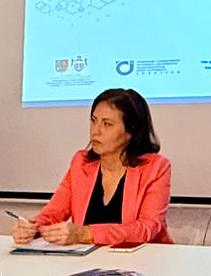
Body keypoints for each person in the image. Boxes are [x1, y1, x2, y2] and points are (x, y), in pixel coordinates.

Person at [13, 88, 173, 247]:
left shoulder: (156, 168)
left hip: (143, 258)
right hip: (88, 259)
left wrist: (85, 233)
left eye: (107, 124)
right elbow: (54, 213)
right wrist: (33, 227)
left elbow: (147, 228)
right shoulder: (81, 163)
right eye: (93, 121)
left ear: (130, 132)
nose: (95, 131)